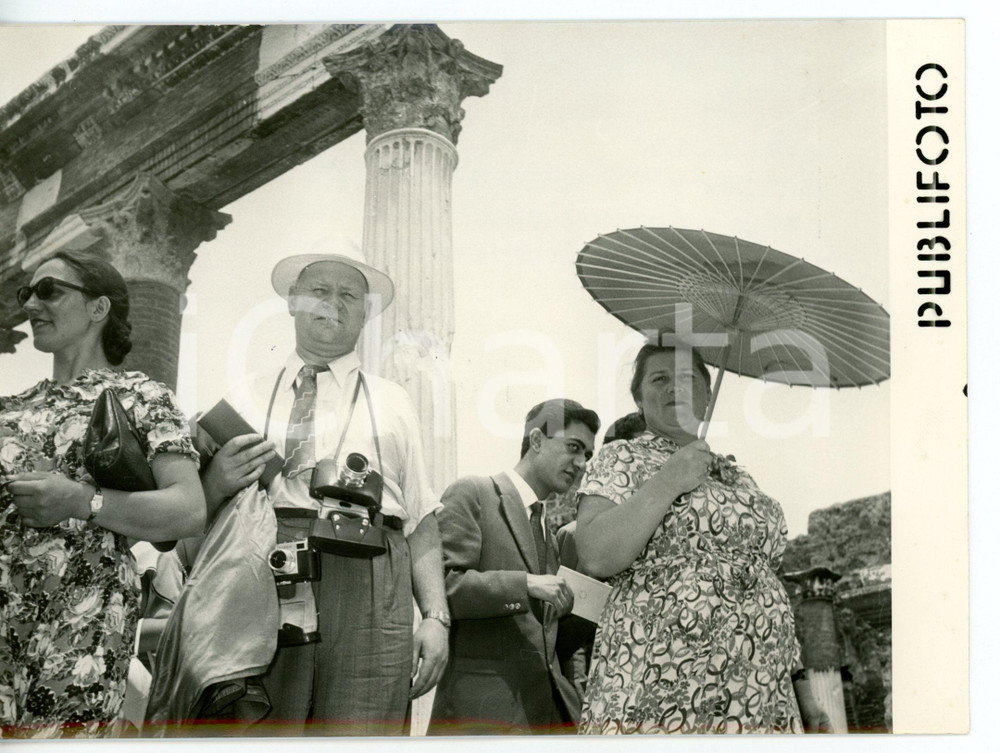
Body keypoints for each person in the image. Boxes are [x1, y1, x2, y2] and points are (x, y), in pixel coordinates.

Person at [200, 240, 448, 736]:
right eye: (319, 290)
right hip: (263, 569)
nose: (333, 303)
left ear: (365, 313)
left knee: (361, 729)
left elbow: (421, 517)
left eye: (350, 296)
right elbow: (197, 513)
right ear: (293, 301)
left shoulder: (394, 400)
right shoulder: (243, 393)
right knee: (256, 728)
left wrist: (436, 618)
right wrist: (214, 483)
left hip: (371, 574)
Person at [574, 342, 831, 734]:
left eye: (687, 378)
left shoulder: (736, 476)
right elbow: (595, 554)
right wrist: (669, 480)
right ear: (638, 398)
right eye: (659, 379)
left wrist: (804, 693)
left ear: (707, 395)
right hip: (663, 680)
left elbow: (763, 583)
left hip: (758, 689)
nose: (674, 388)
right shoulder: (620, 458)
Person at [0, 250, 205, 738]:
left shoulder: (142, 397)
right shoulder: (8, 409)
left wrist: (81, 501)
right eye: (25, 292)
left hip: (79, 632)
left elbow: (188, 509)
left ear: (99, 307)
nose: (31, 304)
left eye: (50, 290)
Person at [427, 399, 599, 735]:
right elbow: (444, 589)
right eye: (574, 447)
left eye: (587, 455)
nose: (581, 464)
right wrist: (526, 584)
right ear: (536, 441)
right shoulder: (473, 493)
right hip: (479, 718)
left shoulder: (548, 533)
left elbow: (547, 638)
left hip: (539, 720)